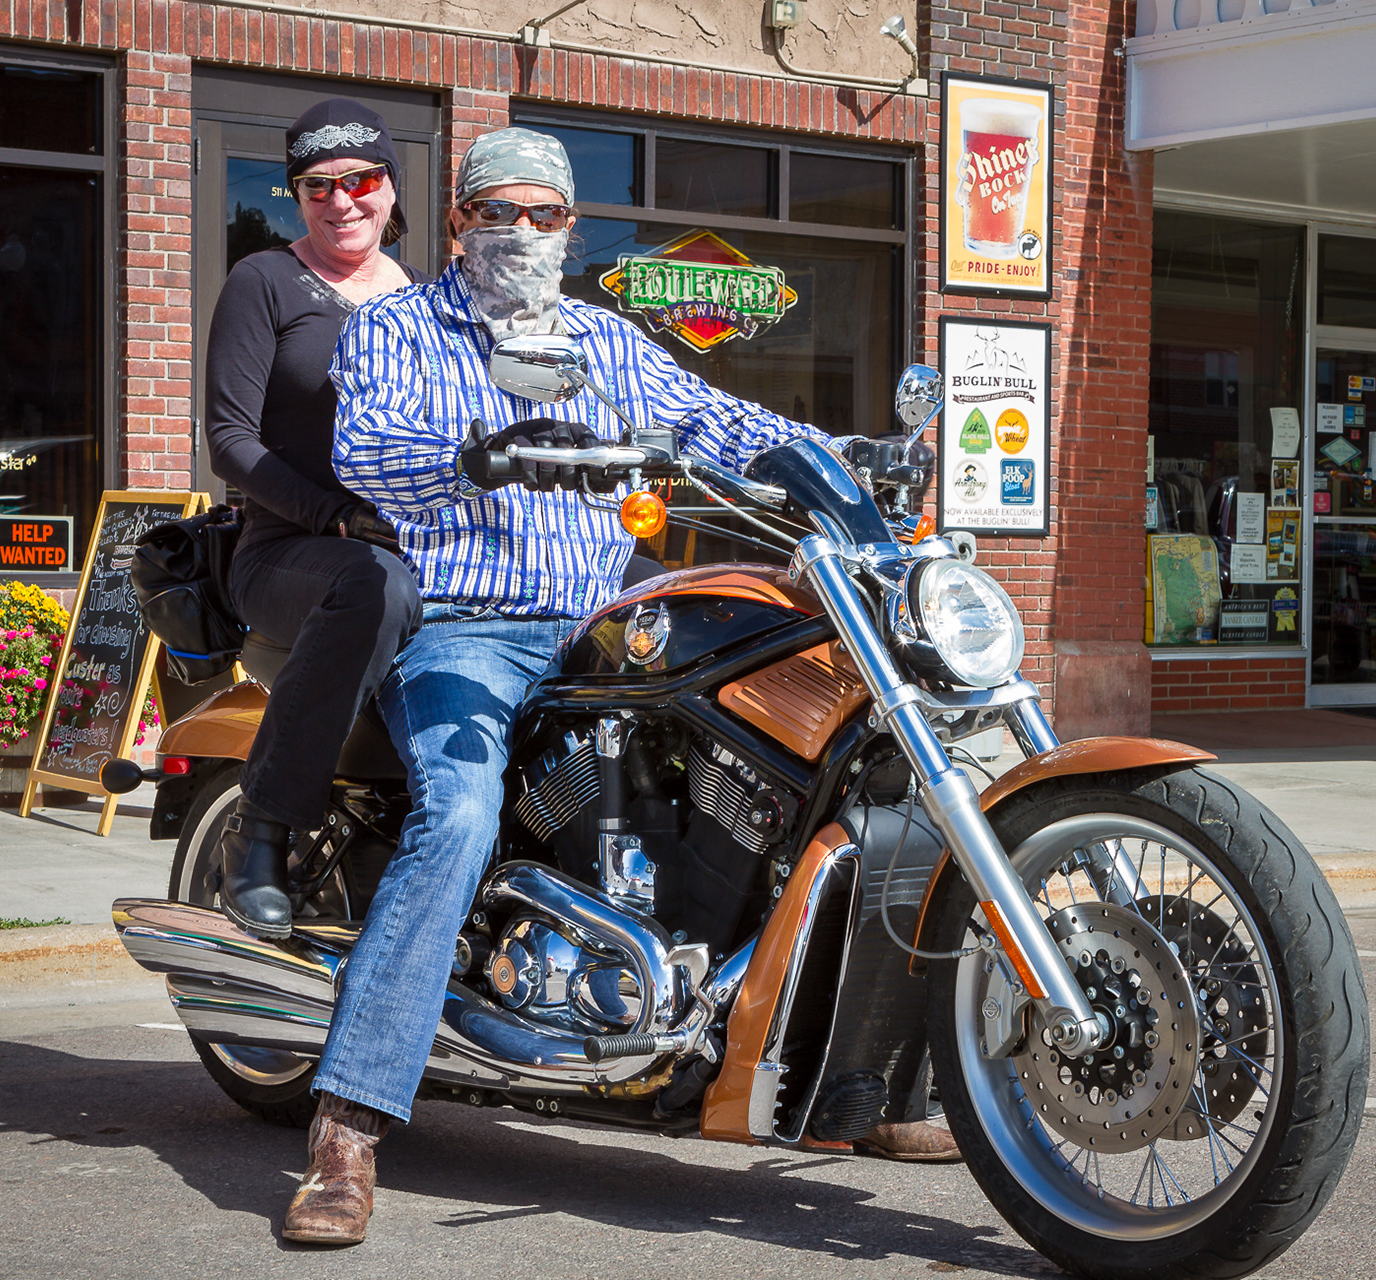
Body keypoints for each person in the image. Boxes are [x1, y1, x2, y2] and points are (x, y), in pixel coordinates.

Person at [275, 127, 950, 1248]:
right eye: (498, 212)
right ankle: (347, 1127)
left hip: (603, 619)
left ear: (570, 227)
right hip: (467, 626)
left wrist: (848, 457)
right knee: (459, 816)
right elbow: (371, 448)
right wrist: (478, 454)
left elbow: (719, 420)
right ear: (459, 222)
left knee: (821, 765)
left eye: (543, 214)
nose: (521, 232)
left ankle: (857, 1083)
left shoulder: (605, 339)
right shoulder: (400, 326)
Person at [202, 99, 429, 939]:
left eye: (359, 180)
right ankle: (261, 829)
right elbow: (229, 440)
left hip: (420, 550)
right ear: (297, 195)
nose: (341, 201)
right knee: (374, 586)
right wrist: (335, 516)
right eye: (317, 186)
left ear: (390, 185)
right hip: (292, 552)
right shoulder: (264, 280)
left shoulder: (427, 299)